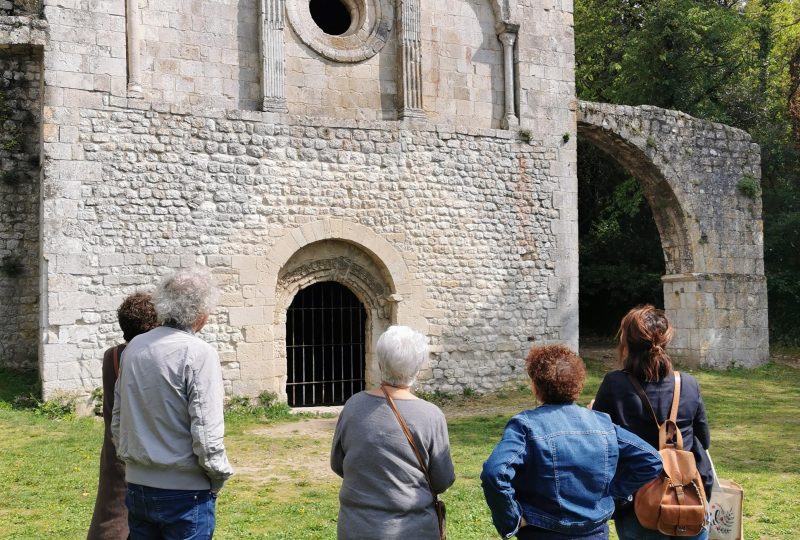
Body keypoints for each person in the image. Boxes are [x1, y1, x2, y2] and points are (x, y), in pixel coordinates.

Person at [481, 344, 663, 540]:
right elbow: (652, 459)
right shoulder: (602, 424)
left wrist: (511, 519)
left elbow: (495, 473)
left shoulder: (526, 426)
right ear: (578, 384)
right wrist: (612, 493)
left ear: (536, 387)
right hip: (593, 532)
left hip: (542, 531)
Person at [111, 267, 234, 540]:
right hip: (185, 492)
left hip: (138, 484)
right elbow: (206, 430)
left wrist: (133, 464)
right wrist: (217, 478)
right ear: (201, 312)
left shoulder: (135, 348)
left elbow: (118, 419)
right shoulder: (198, 352)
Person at [592, 305, 712, 540]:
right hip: (688, 498)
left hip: (638, 501)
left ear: (626, 342)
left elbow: (600, 444)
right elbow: (704, 440)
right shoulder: (688, 383)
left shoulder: (615, 385)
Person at [330, 325, 455, 540]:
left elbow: (338, 463)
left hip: (356, 527)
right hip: (411, 529)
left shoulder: (353, 406)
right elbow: (442, 479)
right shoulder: (431, 415)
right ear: (418, 367)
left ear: (380, 363)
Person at [87, 292, 158, 540]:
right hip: (139, 445)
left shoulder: (113, 355)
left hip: (115, 445)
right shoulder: (143, 357)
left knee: (110, 508)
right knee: (122, 516)